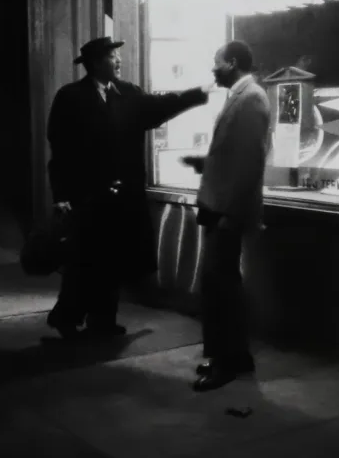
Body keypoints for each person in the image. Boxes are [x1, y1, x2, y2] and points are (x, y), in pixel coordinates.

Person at [46, 36, 209, 339]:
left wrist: (198, 95)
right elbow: (60, 150)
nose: (119, 61)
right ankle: (65, 315)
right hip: (88, 196)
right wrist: (62, 196)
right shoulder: (70, 97)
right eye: (112, 57)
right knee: (85, 259)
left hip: (123, 196)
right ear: (95, 63)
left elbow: (161, 106)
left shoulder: (128, 94)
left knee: (112, 260)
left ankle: (102, 321)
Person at [183, 40, 270, 392]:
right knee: (224, 286)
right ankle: (237, 356)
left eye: (216, 63)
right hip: (221, 208)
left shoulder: (250, 98)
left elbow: (249, 164)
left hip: (226, 213)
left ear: (232, 62)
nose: (213, 69)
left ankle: (224, 363)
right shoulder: (242, 96)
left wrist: (231, 215)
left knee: (219, 289)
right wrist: (205, 163)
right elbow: (235, 157)